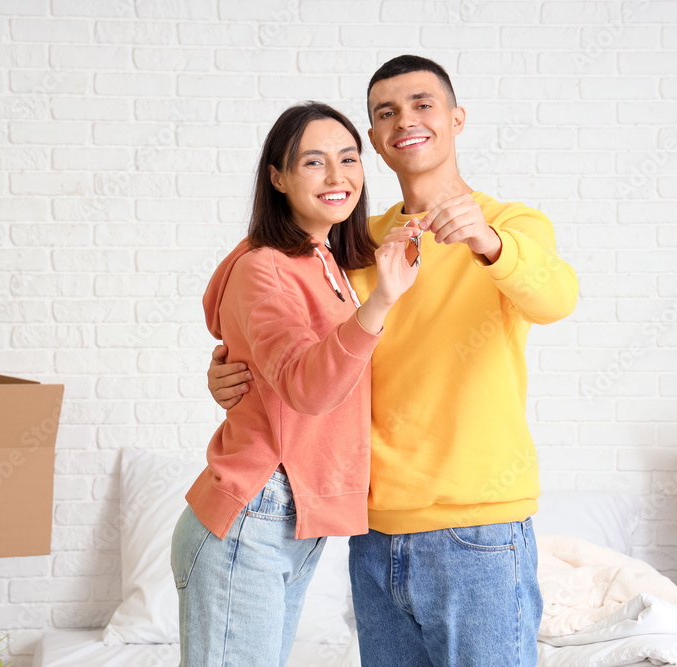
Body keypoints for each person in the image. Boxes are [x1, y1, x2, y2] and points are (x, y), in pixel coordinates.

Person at [207, 55, 579, 666]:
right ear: (375, 141)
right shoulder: (355, 242)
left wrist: (488, 243)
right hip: (373, 531)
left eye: (422, 104)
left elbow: (557, 298)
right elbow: (298, 339)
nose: (405, 120)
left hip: (477, 530)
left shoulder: (509, 225)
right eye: (386, 113)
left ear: (456, 119)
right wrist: (229, 368)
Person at [171, 101, 418, 666]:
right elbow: (307, 388)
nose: (337, 176)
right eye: (313, 162)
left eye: (348, 159)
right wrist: (381, 302)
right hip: (255, 513)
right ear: (278, 177)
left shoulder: (326, 260)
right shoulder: (265, 266)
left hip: (289, 517)